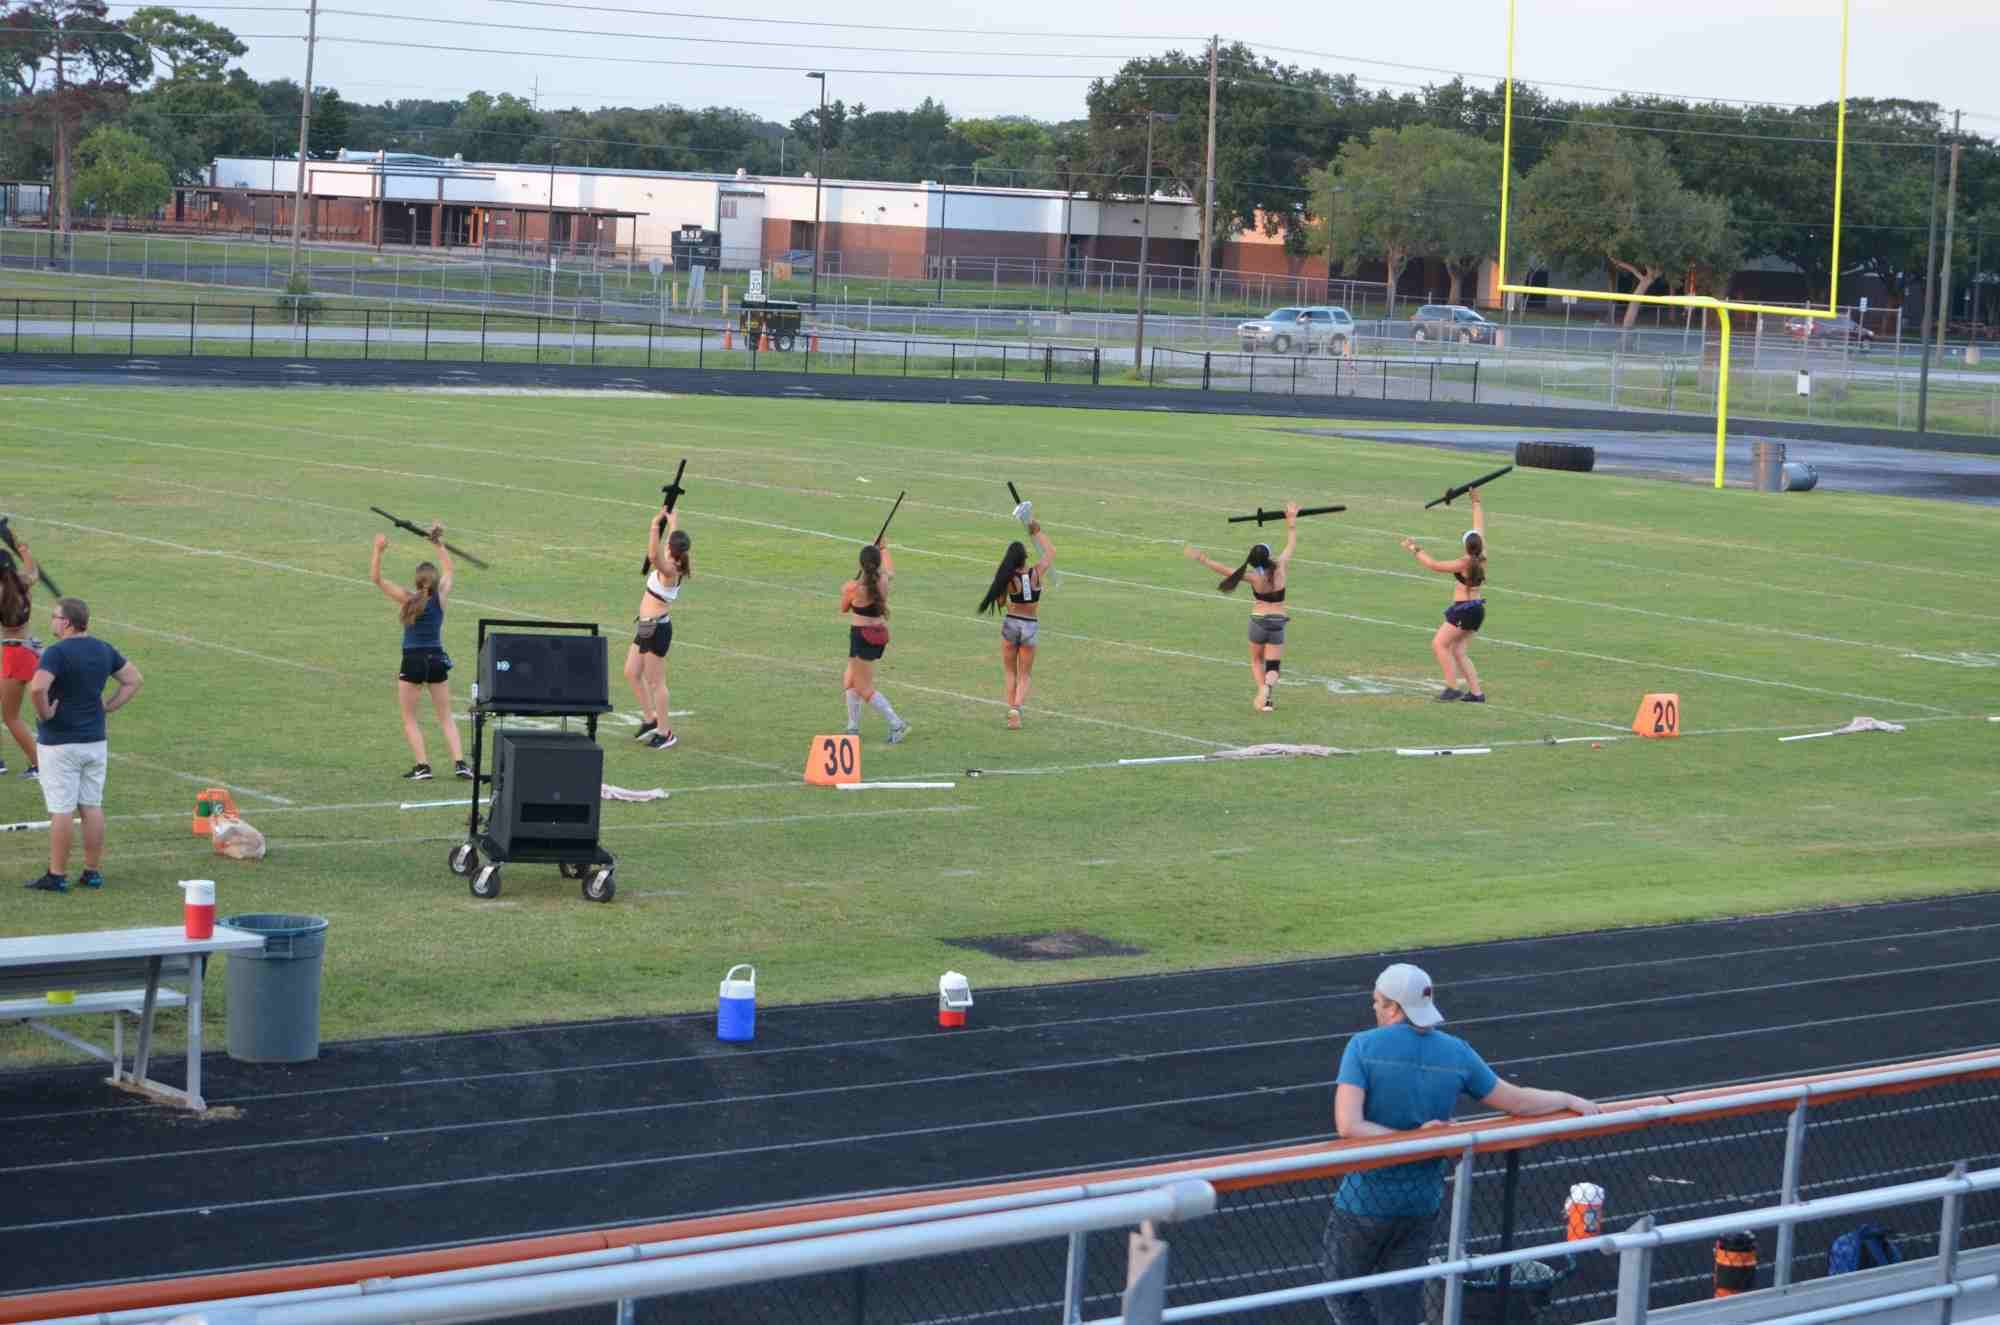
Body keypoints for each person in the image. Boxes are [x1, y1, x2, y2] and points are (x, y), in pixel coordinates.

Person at [1323, 963, 1599, 1325]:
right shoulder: (1456, 1052)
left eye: (1377, 1001)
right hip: (1422, 1202)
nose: (1373, 1007)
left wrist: (1414, 1140)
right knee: (1400, 1300)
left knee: (1339, 1289)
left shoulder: (1362, 1046)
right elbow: (1517, 1101)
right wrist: (1566, 1098)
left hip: (1364, 1199)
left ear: (1392, 1007)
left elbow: (1348, 1125)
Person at [25, 598, 143, 893]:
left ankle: (57, 874)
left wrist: (44, 713)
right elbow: (133, 680)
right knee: (92, 806)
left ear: (66, 622)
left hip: (60, 744)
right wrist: (108, 707)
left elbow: (38, 687)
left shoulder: (57, 652)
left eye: (54, 617)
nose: (52, 621)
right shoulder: (103, 648)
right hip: (95, 741)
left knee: (61, 810)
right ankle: (92, 872)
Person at [370, 525, 469, 781]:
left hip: (412, 660)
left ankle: (423, 766)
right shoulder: (440, 598)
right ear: (435, 581)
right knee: (445, 717)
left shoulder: (407, 599)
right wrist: (437, 543)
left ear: (417, 581)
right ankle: (460, 764)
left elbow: (377, 579)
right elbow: (449, 570)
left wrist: (378, 550)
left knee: (409, 717)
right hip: (436, 659)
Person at [1184, 501, 1299, 712]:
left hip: (1258, 620)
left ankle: (1262, 692)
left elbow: (1226, 571)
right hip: (1278, 621)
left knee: (1256, 660)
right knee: (1273, 666)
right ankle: (1267, 692)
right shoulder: (1281, 567)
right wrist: (1291, 519)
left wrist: (1203, 559)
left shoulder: (1253, 577)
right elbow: (1291, 544)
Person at [1400, 489, 1487, 702]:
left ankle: (1452, 688)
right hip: (1477, 609)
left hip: (1464, 611)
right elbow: (1479, 527)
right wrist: (1476, 502)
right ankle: (1476, 693)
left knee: (1439, 644)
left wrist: (1414, 548)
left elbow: (1434, 565)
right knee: (1458, 651)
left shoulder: (1463, 563)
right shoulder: (1482, 556)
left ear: (1466, 545)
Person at [977, 518, 1055, 730]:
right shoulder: (1036, 573)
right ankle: (1016, 708)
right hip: (1030, 625)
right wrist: (1037, 532)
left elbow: (1002, 603)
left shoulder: (1008, 578)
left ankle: (1013, 714)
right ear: (1025, 557)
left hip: (1011, 624)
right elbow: (1050, 553)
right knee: (1025, 674)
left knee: (1010, 672)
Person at [624, 502, 688, 751]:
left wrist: (654, 527)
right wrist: (672, 521)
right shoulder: (675, 557)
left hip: (657, 630)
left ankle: (665, 732)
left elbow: (653, 557)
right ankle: (650, 719)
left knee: (656, 682)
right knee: (631, 672)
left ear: (671, 550)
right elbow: (672, 542)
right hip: (645, 626)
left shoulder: (670, 570)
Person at [841, 540, 909, 744]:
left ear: (861, 564)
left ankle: (897, 724)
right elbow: (890, 569)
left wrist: (846, 590)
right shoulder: (884, 579)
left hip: (861, 636)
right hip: (876, 634)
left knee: (863, 687)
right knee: (849, 681)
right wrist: (884, 548)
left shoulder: (854, 588)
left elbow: (844, 608)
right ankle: (852, 727)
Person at [0, 538, 42, 780]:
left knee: (11, 717)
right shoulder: (22, 583)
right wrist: (24, 550)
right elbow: (33, 571)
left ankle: (39, 764)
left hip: (14, 656)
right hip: (29, 649)